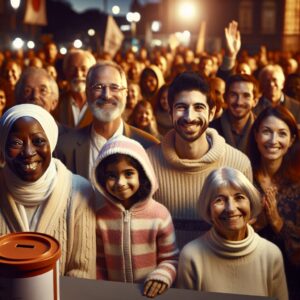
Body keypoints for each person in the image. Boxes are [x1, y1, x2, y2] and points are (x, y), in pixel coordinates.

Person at [147, 72, 252, 249]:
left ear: (211, 113)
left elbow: (243, 236)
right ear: (170, 111)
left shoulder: (239, 165)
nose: (189, 117)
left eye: (198, 108)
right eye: (181, 107)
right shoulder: (147, 162)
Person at [0, 104, 96, 279]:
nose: (28, 152)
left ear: (51, 142)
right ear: (3, 146)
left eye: (38, 141)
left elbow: (82, 272)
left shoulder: (79, 192)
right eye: (16, 142)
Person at [177, 167, 288, 300]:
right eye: (219, 200)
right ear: (208, 210)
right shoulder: (191, 255)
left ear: (251, 204)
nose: (230, 208)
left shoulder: (271, 254)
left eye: (239, 197)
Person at [91, 136, 178, 298]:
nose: (120, 183)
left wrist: (161, 277)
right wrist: (101, 290)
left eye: (128, 173)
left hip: (151, 295)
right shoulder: (100, 219)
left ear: (143, 174)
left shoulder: (160, 215)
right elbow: (99, 264)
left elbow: (171, 260)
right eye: (112, 175)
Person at [55, 60, 159, 182]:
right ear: (87, 93)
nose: (107, 95)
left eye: (114, 87)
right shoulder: (64, 147)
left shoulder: (149, 147)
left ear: (125, 94)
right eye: (98, 87)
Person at [247, 106, 300, 299]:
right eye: (267, 132)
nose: (273, 141)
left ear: (292, 140)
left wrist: (277, 223)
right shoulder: (243, 178)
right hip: (248, 276)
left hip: (291, 281)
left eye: (282, 134)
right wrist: (256, 225)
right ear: (256, 134)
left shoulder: (298, 183)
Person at [210, 74, 259, 153]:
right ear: (225, 98)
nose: (239, 102)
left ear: (255, 101)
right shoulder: (211, 130)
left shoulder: (261, 130)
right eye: (233, 95)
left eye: (246, 96)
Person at [55, 49, 96, 128]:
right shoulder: (56, 104)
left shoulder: (101, 103)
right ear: (65, 71)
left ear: (92, 72)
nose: (78, 74)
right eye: (73, 69)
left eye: (84, 69)